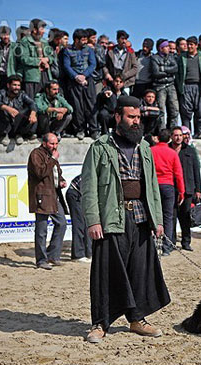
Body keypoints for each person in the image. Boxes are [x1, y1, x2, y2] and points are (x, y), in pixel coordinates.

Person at [82, 95, 169, 343]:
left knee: (140, 272)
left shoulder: (144, 147)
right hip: (111, 218)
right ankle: (100, 324)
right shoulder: (100, 147)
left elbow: (151, 185)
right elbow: (89, 187)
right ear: (118, 117)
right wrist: (93, 220)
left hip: (141, 218)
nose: (136, 122)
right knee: (106, 273)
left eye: (138, 117)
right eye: (131, 117)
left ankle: (137, 319)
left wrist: (158, 220)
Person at [27, 132, 68, 270]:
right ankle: (41, 260)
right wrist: (51, 159)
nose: (55, 146)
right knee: (41, 229)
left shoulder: (52, 155)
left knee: (62, 223)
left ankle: (52, 255)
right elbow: (40, 172)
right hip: (42, 196)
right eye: (52, 143)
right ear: (44, 143)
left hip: (54, 195)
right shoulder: (36, 154)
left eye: (56, 143)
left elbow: (56, 173)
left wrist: (61, 181)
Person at [150, 129, 185, 256]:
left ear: (158, 138)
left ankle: (153, 244)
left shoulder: (151, 151)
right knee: (168, 217)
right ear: (169, 139)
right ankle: (166, 247)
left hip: (154, 186)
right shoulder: (172, 153)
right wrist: (181, 192)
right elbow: (178, 174)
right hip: (168, 186)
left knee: (153, 215)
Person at [169, 127, 201, 252]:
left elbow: (196, 170)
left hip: (188, 189)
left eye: (180, 135)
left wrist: (198, 189)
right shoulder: (167, 149)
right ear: (171, 136)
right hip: (171, 188)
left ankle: (186, 242)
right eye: (175, 135)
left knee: (186, 218)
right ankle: (171, 242)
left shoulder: (190, 150)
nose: (178, 137)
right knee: (171, 217)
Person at [62, 29, 97, 140]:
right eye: (83, 40)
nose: (85, 42)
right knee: (77, 106)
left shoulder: (89, 50)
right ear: (76, 40)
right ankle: (79, 129)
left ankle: (93, 130)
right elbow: (67, 66)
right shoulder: (67, 51)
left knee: (91, 105)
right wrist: (76, 76)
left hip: (87, 80)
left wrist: (84, 76)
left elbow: (92, 64)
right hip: (74, 81)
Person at [176, 36, 201, 138]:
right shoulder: (181, 57)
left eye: (191, 44)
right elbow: (177, 73)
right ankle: (186, 134)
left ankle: (199, 133)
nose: (189, 46)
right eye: (187, 44)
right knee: (185, 112)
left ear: (196, 45)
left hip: (200, 87)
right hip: (186, 86)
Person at [0, 75, 38, 145]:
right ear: (8, 85)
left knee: (30, 110)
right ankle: (4, 135)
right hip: (4, 125)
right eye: (14, 85)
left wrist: (33, 114)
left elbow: (32, 103)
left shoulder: (22, 94)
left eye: (18, 85)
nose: (17, 87)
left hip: (16, 123)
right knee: (0, 110)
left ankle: (19, 135)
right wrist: (8, 108)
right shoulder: (2, 93)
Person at [18, 19, 54, 99]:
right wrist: (40, 61)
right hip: (32, 76)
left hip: (45, 75)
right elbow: (24, 58)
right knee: (32, 101)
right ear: (34, 30)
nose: (44, 31)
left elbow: (52, 56)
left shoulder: (44, 42)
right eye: (42, 29)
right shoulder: (25, 41)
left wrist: (47, 59)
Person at [150, 39, 178, 129]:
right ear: (160, 48)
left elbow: (175, 68)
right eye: (166, 47)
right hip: (159, 87)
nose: (168, 48)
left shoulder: (171, 57)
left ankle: (173, 130)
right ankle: (162, 131)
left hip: (171, 85)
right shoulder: (154, 58)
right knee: (161, 111)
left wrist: (162, 68)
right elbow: (156, 73)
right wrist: (169, 71)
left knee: (174, 109)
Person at [65, 174, 92, 263]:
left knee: (87, 223)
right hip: (75, 193)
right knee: (79, 224)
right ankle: (78, 255)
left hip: (82, 193)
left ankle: (88, 252)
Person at [86, 28, 107, 94]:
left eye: (95, 37)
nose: (95, 39)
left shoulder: (99, 48)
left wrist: (94, 51)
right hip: (85, 77)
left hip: (96, 78)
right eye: (92, 38)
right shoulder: (82, 47)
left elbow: (102, 63)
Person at [0, 25, 14, 90]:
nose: (5, 37)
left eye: (7, 35)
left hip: (11, 75)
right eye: (3, 35)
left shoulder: (15, 46)